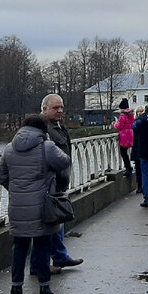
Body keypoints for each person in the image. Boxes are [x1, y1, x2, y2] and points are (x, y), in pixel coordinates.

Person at [0, 113, 71, 294]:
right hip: (42, 206)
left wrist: (16, 189)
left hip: (17, 206)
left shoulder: (9, 149)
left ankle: (16, 290)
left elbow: (2, 177)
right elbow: (65, 161)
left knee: (19, 247)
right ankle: (44, 289)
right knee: (42, 246)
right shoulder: (46, 147)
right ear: (42, 130)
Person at [40, 93, 85, 273]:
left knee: (57, 221)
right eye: (55, 108)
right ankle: (52, 260)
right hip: (49, 185)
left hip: (59, 184)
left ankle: (59, 257)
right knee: (51, 224)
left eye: (61, 107)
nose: (60, 111)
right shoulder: (43, 129)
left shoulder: (58, 127)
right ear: (44, 109)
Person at [113, 98, 136, 179]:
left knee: (123, 153)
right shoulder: (131, 115)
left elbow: (119, 127)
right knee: (127, 152)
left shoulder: (123, 116)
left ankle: (128, 168)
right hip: (131, 134)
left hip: (124, 135)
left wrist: (115, 124)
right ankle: (130, 166)